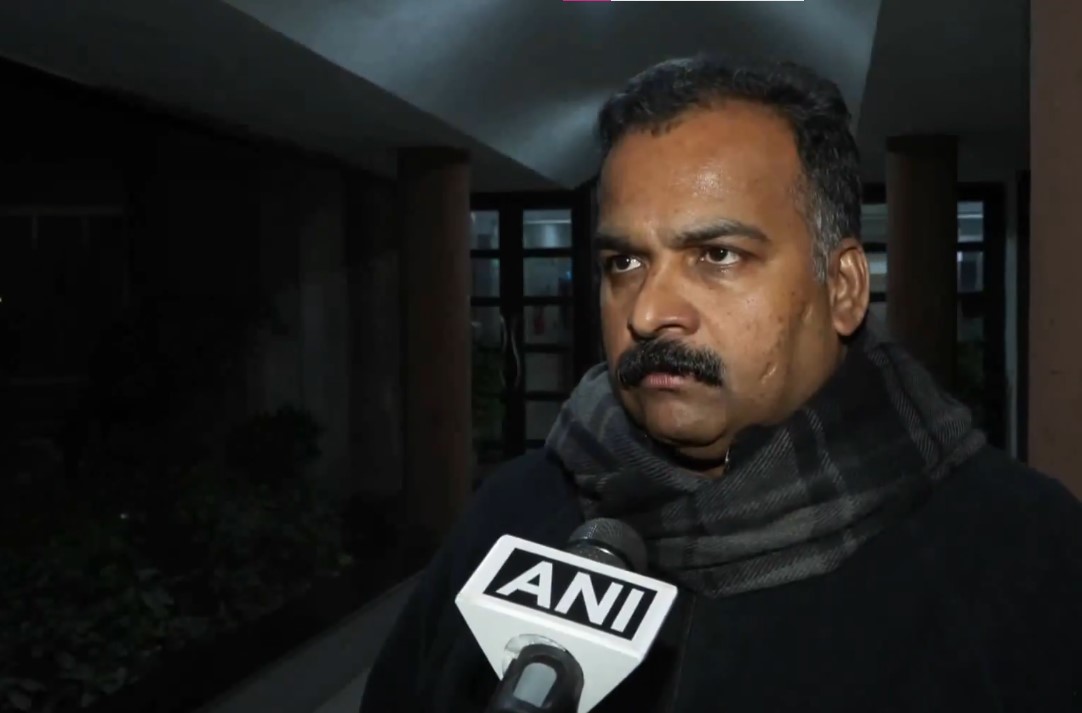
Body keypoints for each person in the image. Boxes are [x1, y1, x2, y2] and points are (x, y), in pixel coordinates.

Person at [360, 57, 1082, 712]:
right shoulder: (515, 512)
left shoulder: (1021, 552)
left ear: (843, 287)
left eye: (717, 254)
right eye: (623, 263)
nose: (648, 313)